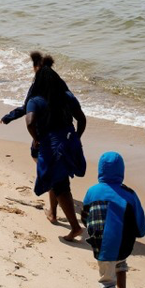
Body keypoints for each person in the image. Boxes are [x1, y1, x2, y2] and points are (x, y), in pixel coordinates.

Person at [82, 152, 145, 288]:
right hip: (124, 244)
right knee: (121, 265)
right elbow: (140, 225)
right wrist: (141, 233)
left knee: (107, 282)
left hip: (102, 245)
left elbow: (85, 217)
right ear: (122, 172)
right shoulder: (129, 194)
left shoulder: (92, 191)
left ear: (100, 170)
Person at [25, 66, 86, 241]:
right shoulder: (67, 96)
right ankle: (52, 212)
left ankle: (75, 228)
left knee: (60, 185)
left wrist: (36, 138)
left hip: (51, 146)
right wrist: (77, 137)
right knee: (58, 178)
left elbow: (29, 122)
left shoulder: (35, 100)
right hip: (69, 141)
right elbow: (81, 119)